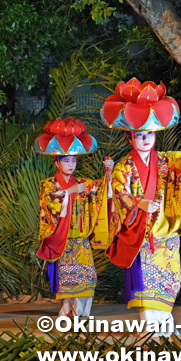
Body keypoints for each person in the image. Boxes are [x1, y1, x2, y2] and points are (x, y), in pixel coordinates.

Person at [101, 79, 181, 337]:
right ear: (130, 137)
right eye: (139, 134)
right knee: (146, 283)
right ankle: (150, 331)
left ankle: (163, 329)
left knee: (167, 282)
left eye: (149, 134)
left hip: (166, 234)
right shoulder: (123, 167)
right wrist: (139, 203)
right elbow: (119, 194)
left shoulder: (166, 160)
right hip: (141, 233)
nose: (145, 139)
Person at [34, 118, 119, 317]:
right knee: (68, 282)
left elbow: (102, 192)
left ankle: (81, 315)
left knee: (88, 279)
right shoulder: (49, 185)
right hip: (63, 242)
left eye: (73, 159)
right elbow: (49, 205)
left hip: (81, 242)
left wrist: (109, 172)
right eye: (66, 159)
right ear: (56, 161)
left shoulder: (83, 182)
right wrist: (69, 192)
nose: (70, 164)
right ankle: (68, 314)